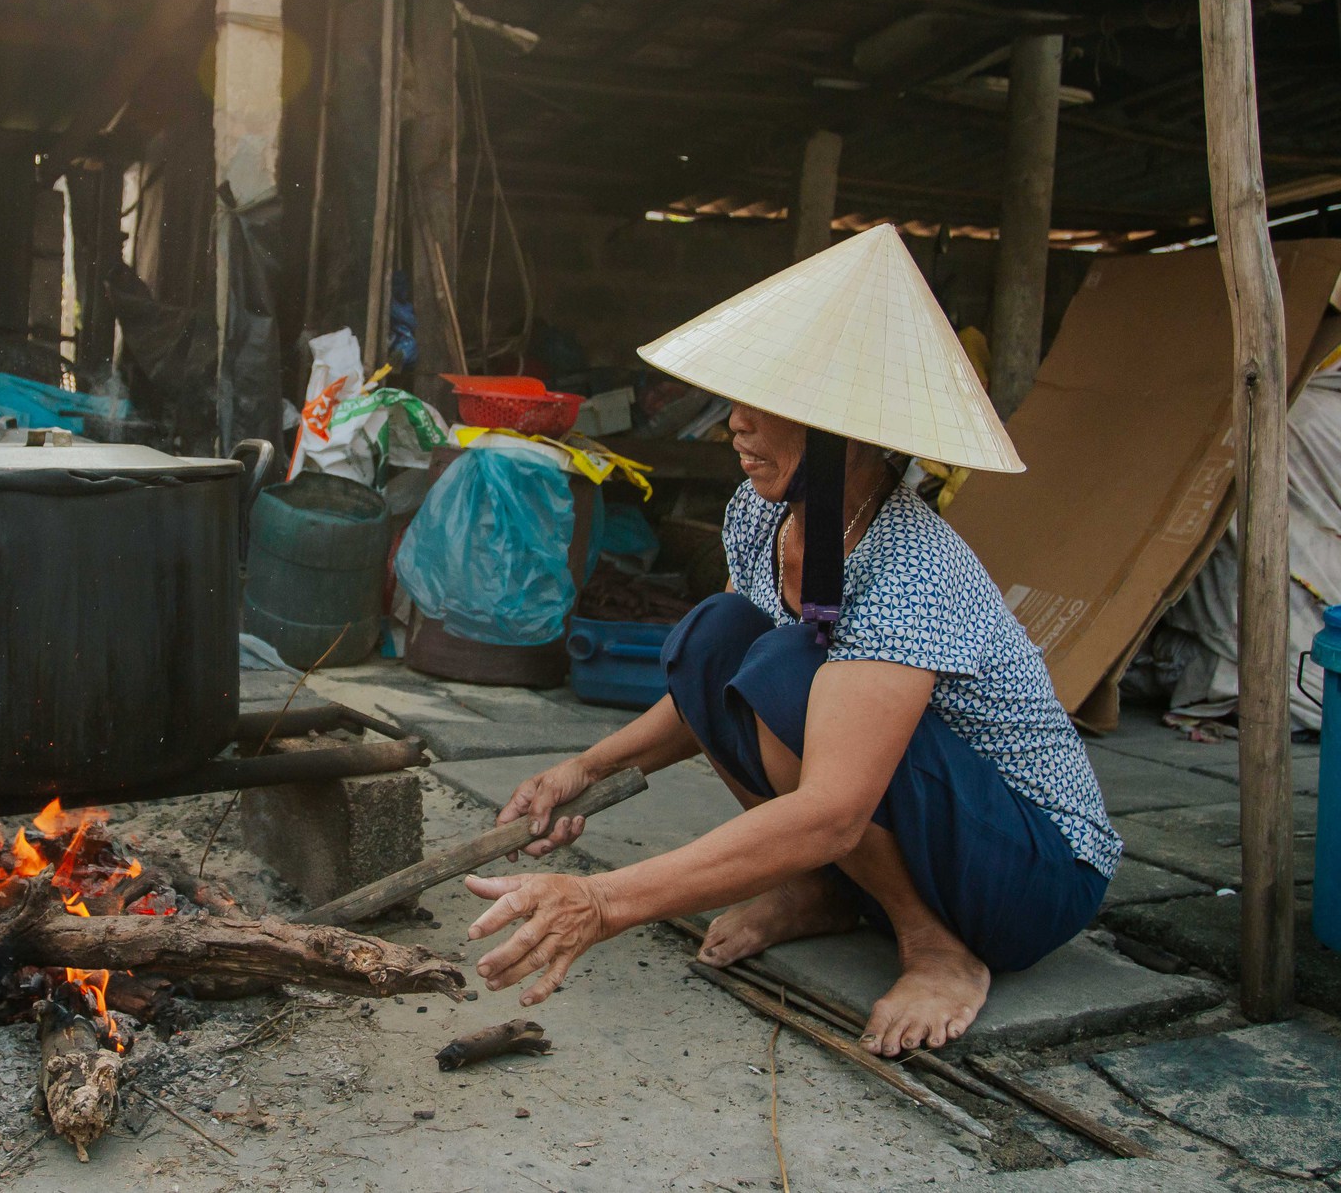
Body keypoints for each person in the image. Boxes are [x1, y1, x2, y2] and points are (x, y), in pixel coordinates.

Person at [463, 225, 1121, 1057]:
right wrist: (583, 769)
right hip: (926, 828)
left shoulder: (912, 564)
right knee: (715, 638)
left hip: (1033, 870)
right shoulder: (762, 512)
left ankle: (936, 946)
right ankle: (823, 889)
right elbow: (718, 687)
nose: (734, 425)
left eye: (762, 404)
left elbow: (836, 806)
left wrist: (603, 902)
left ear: (840, 429)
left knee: (782, 667)